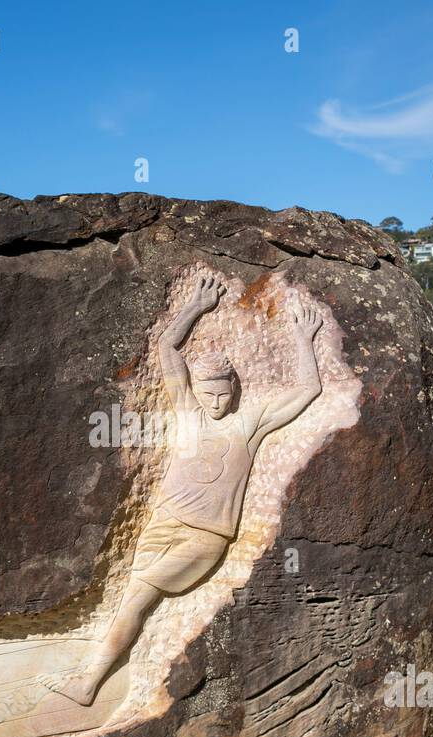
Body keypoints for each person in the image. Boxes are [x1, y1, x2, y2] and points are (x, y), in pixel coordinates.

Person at [42, 275, 325, 706]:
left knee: (137, 597)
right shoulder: (188, 413)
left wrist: (304, 338)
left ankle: (89, 683)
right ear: (199, 390)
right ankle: (101, 673)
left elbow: (308, 390)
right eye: (208, 392)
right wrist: (195, 306)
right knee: (130, 601)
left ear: (234, 392)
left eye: (223, 394)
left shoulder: (247, 426)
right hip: (162, 523)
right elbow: (167, 350)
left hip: (203, 538)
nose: (215, 402)